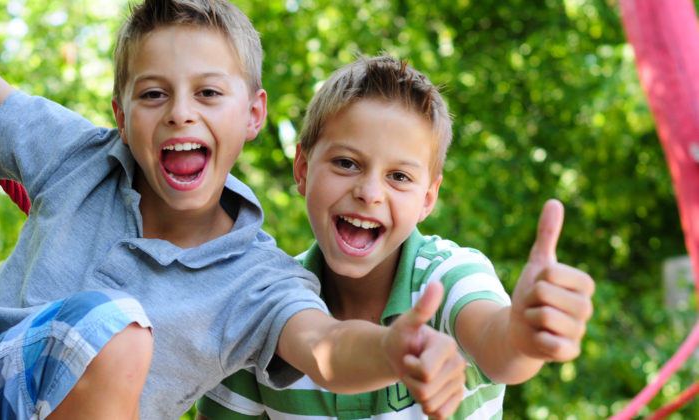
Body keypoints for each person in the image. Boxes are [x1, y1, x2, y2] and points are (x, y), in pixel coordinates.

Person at [0, 1, 472, 419]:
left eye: (209, 93)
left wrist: (392, 350)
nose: (180, 114)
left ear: (253, 114)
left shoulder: (258, 281)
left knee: (120, 334)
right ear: (121, 115)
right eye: (153, 94)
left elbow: (327, 350)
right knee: (118, 329)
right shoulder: (81, 155)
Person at [196, 56, 596, 419]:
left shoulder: (452, 277)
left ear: (427, 199)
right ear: (302, 168)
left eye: (399, 177)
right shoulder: (260, 304)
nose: (370, 192)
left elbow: (500, 348)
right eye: (346, 163)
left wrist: (523, 338)